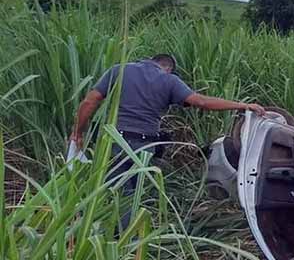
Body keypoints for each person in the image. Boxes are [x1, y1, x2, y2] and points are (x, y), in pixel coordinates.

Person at [69, 53, 267, 228]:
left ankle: (112, 239)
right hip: (145, 146)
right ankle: (125, 240)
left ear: (151, 60)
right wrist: (242, 105)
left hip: (114, 140)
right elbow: (201, 102)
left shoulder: (119, 70)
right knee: (130, 194)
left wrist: (78, 132)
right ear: (169, 68)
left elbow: (90, 101)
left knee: (117, 192)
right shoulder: (170, 81)